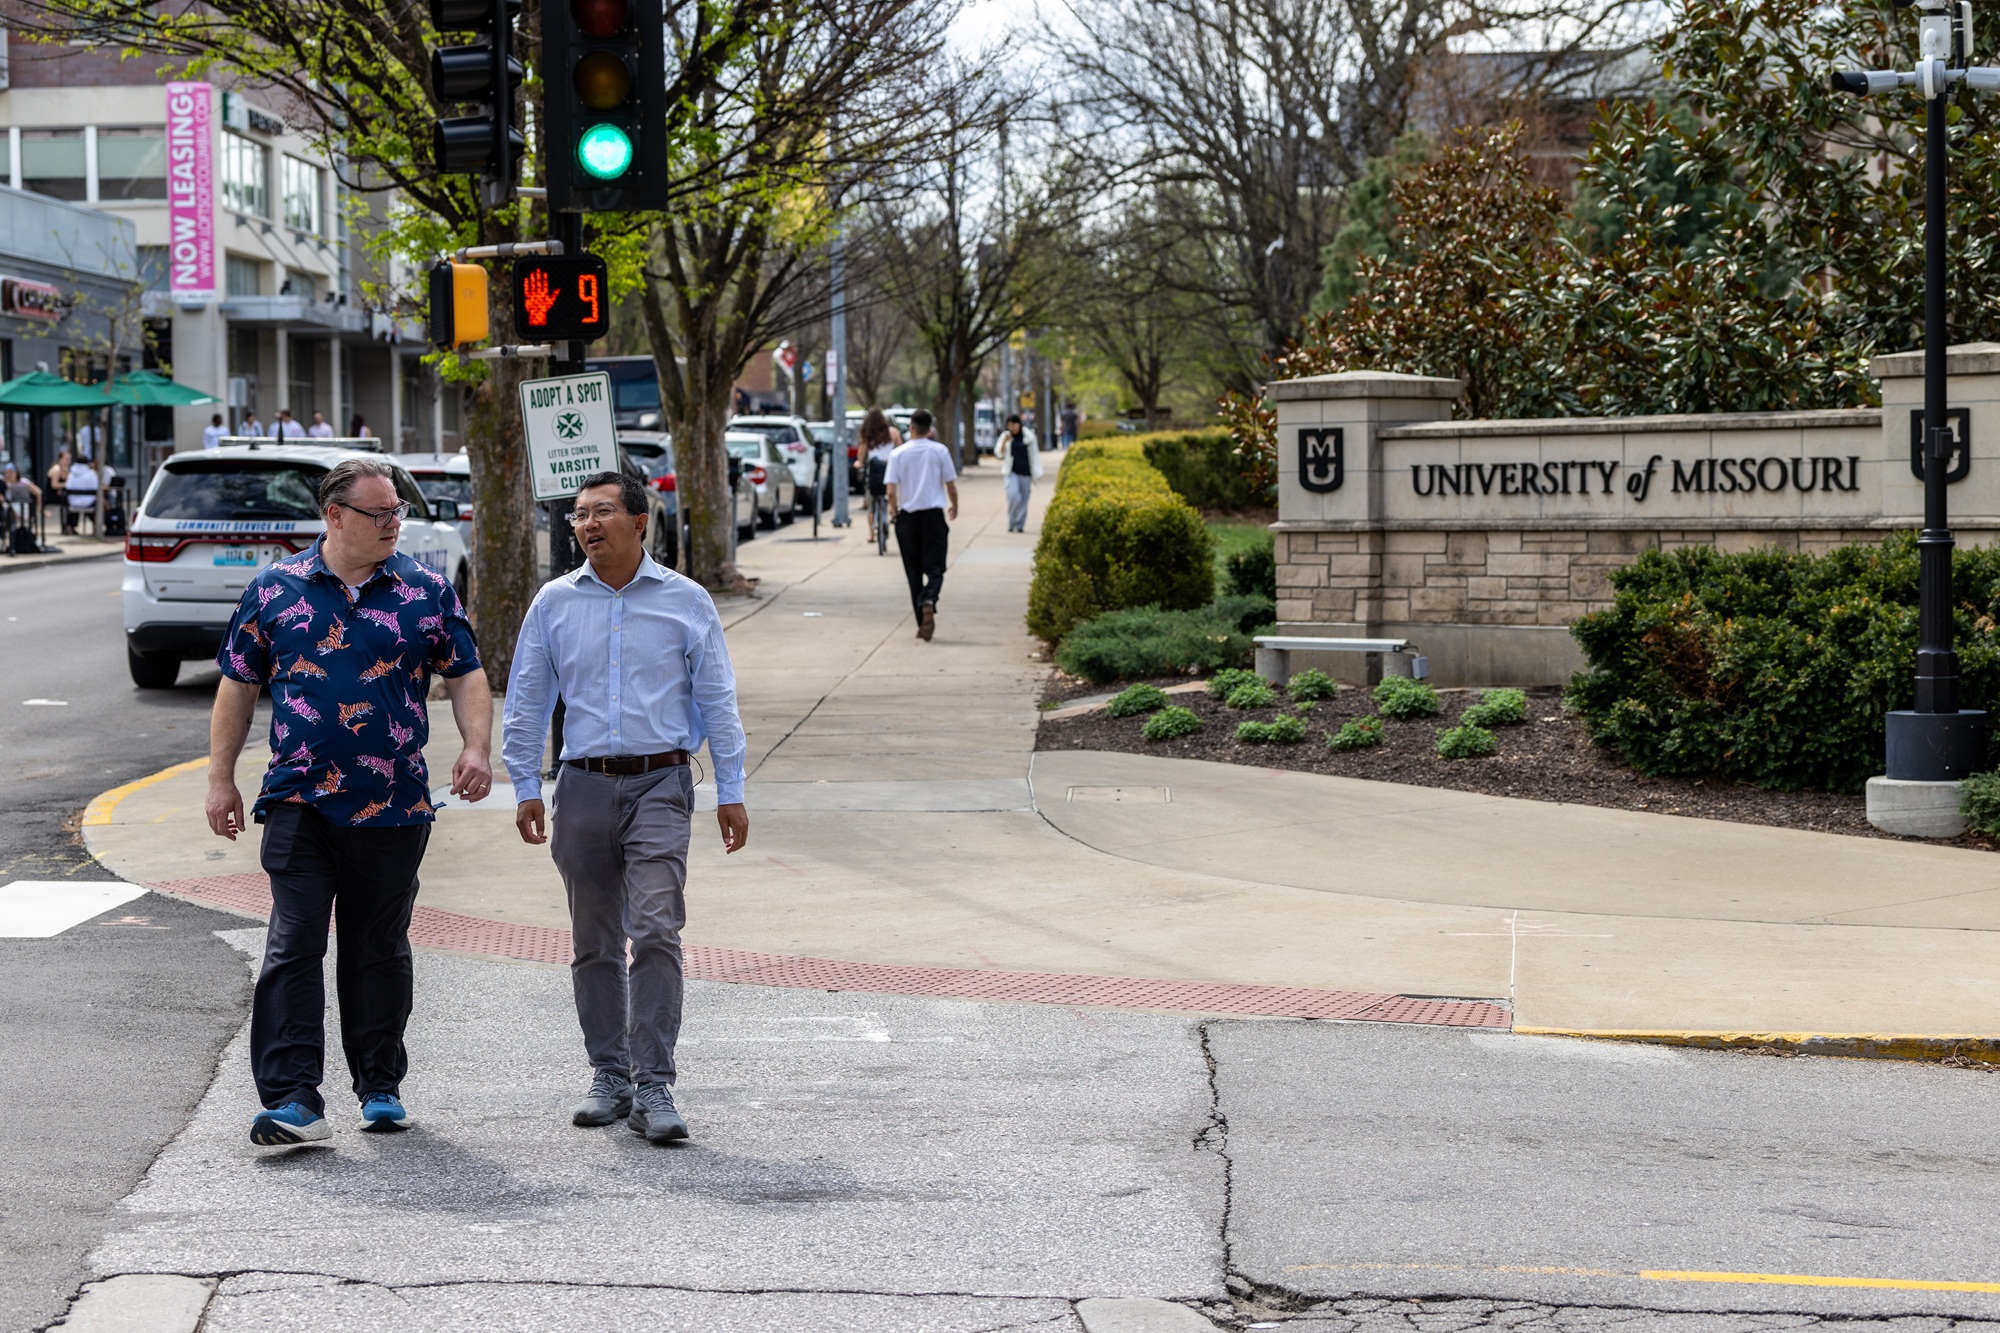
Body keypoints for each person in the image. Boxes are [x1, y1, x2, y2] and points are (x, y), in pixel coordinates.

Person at [205, 457, 494, 1147]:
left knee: (376, 946)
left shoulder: (424, 591)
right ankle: (293, 1097)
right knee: (295, 941)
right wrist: (220, 778)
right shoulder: (275, 590)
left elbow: (468, 674)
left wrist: (477, 747)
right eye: (379, 513)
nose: (395, 522)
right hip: (299, 799)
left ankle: (380, 1084)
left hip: (392, 805)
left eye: (396, 511)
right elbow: (238, 684)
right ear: (335, 516)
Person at [502, 471, 748, 1146]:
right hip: (582, 784)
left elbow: (718, 700)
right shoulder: (553, 603)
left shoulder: (686, 601)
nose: (587, 523)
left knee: (658, 925)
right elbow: (527, 698)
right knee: (595, 938)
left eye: (603, 511)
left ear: (641, 522)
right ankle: (608, 1073)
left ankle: (655, 1082)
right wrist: (523, 781)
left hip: (661, 782)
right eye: (579, 515)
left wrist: (733, 788)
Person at [884, 408, 958, 641]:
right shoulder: (939, 451)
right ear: (930, 429)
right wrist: (954, 504)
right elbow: (950, 484)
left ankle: (922, 620)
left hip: (907, 517)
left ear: (911, 428)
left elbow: (890, 491)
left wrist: (894, 513)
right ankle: (929, 599)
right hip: (933, 516)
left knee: (913, 571)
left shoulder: (898, 454)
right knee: (936, 568)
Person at [858, 408, 895, 547]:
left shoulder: (868, 436)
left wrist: (859, 463)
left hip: (874, 470)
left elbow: (861, 456)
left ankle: (871, 533)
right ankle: (892, 511)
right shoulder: (893, 432)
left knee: (871, 502)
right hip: (890, 468)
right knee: (891, 491)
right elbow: (901, 449)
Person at [1001, 412, 1041, 533]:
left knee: (1024, 500)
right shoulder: (1006, 436)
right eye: (1009, 425)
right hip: (1011, 471)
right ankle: (1011, 521)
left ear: (1019, 424)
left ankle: (1020, 524)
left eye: (1014, 425)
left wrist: (1037, 470)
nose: (1012, 428)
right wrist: (1004, 442)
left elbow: (1034, 454)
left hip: (1026, 472)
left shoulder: (1029, 436)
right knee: (1013, 496)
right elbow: (999, 453)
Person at [64, 455, 99, 534]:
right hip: (89, 502)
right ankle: (96, 526)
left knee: (75, 504)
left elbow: (67, 486)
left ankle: (70, 526)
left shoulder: (71, 473)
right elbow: (96, 488)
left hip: (73, 502)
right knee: (98, 503)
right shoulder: (91, 473)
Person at [46, 450, 72, 534]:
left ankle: (70, 525)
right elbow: (54, 485)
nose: (68, 461)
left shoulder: (65, 470)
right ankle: (67, 525)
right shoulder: (56, 469)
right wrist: (66, 484)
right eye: (66, 459)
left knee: (73, 501)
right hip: (51, 495)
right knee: (69, 502)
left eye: (69, 459)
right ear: (60, 459)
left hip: (60, 494)